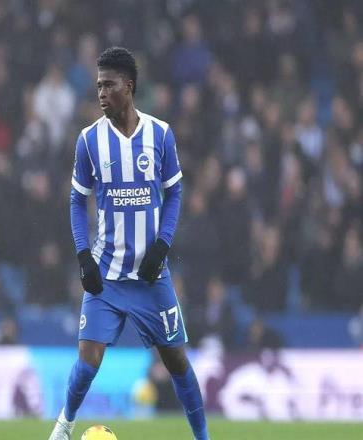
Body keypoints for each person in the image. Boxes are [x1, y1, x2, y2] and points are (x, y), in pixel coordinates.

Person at [49, 47, 210, 440]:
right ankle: (64, 426)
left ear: (130, 86)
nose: (102, 93)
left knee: (177, 362)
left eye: (109, 85)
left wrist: (162, 245)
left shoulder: (160, 134)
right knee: (88, 359)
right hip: (107, 273)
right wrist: (83, 256)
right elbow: (77, 200)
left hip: (151, 276)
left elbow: (174, 193)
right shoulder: (89, 141)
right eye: (98, 86)